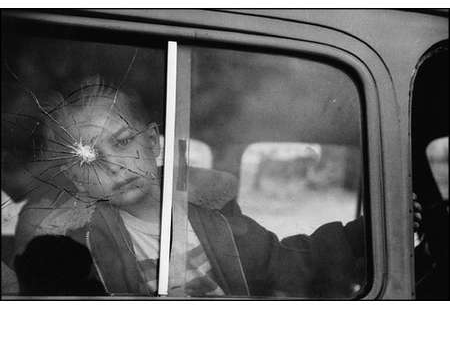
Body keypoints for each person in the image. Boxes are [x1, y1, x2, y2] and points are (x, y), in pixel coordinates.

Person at [12, 76, 421, 298]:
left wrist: (366, 236)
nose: (116, 166)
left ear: (153, 143)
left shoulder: (218, 222)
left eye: (122, 142)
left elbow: (293, 265)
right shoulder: (79, 244)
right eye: (90, 157)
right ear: (76, 177)